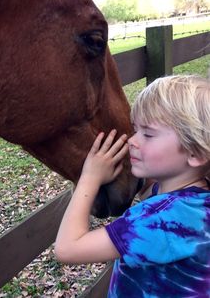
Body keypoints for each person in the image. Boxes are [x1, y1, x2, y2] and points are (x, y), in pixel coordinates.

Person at [55, 75, 210, 297]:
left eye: (148, 134)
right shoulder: (198, 200)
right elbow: (152, 191)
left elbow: (68, 248)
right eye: (135, 129)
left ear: (195, 153)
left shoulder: (160, 220)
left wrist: (90, 177)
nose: (132, 140)